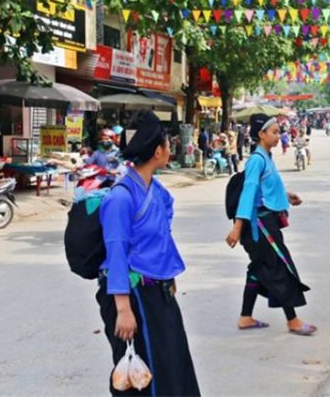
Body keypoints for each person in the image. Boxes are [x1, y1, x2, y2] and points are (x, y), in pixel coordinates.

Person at [97, 110, 200, 396]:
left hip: (159, 291)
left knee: (173, 362)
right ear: (158, 151)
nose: (171, 148)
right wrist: (123, 310)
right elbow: (116, 253)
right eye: (168, 144)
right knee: (146, 373)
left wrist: (169, 276)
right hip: (134, 297)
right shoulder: (120, 197)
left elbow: (161, 237)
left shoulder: (157, 190)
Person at [225, 114, 315, 335]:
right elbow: (248, 193)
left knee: (258, 269)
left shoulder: (267, 158)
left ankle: (245, 317)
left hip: (266, 221)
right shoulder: (257, 160)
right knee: (279, 268)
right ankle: (292, 320)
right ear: (260, 134)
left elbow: (266, 190)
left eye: (278, 131)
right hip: (259, 226)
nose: (278, 136)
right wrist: (237, 227)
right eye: (274, 132)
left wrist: (287, 196)